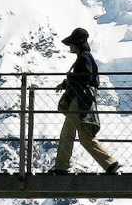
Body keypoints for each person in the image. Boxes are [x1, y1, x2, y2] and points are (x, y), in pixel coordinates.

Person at [51, 28, 120, 174]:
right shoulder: (85, 57)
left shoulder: (84, 58)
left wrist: (68, 81)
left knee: (75, 135)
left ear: (77, 44)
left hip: (78, 100)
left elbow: (84, 77)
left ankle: (62, 167)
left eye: (72, 44)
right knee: (74, 134)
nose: (70, 46)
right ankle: (108, 164)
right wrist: (67, 83)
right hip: (81, 100)